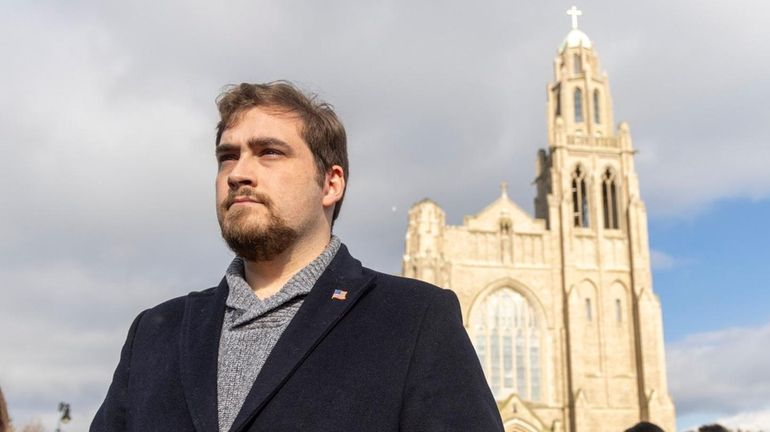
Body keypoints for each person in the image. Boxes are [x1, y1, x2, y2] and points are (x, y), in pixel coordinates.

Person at [91, 81, 503, 432]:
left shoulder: (414, 319)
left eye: (269, 152)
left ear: (331, 183)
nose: (238, 173)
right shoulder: (155, 333)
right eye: (227, 156)